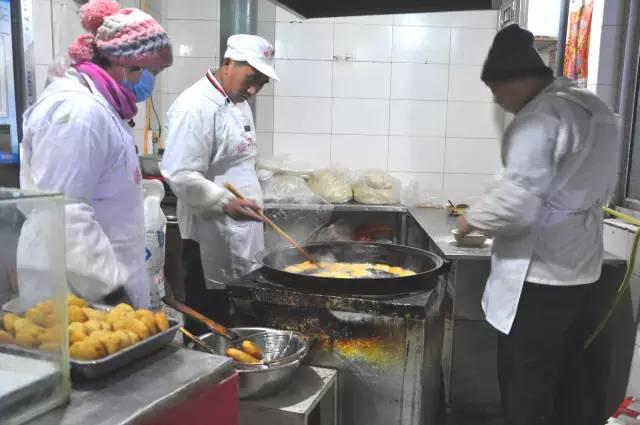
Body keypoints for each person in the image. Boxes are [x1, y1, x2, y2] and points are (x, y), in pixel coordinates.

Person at [456, 24, 621, 425]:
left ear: (514, 81)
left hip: (538, 275)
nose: (497, 100)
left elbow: (517, 205)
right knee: (565, 380)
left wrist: (470, 220)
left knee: (525, 384)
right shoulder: (594, 107)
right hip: (580, 269)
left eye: (495, 90)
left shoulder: (540, 118)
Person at [20, 0, 172, 307]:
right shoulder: (77, 112)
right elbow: (65, 212)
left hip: (100, 286)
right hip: (80, 292)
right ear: (129, 63)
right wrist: (113, 291)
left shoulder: (102, 106)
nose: (152, 82)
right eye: (154, 71)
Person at [161, 34, 278, 332]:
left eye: (262, 83)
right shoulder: (195, 107)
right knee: (210, 324)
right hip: (209, 239)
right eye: (251, 79)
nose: (253, 90)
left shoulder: (237, 101)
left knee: (238, 321)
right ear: (228, 63)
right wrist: (225, 202)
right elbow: (180, 174)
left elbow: (237, 162)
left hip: (241, 233)